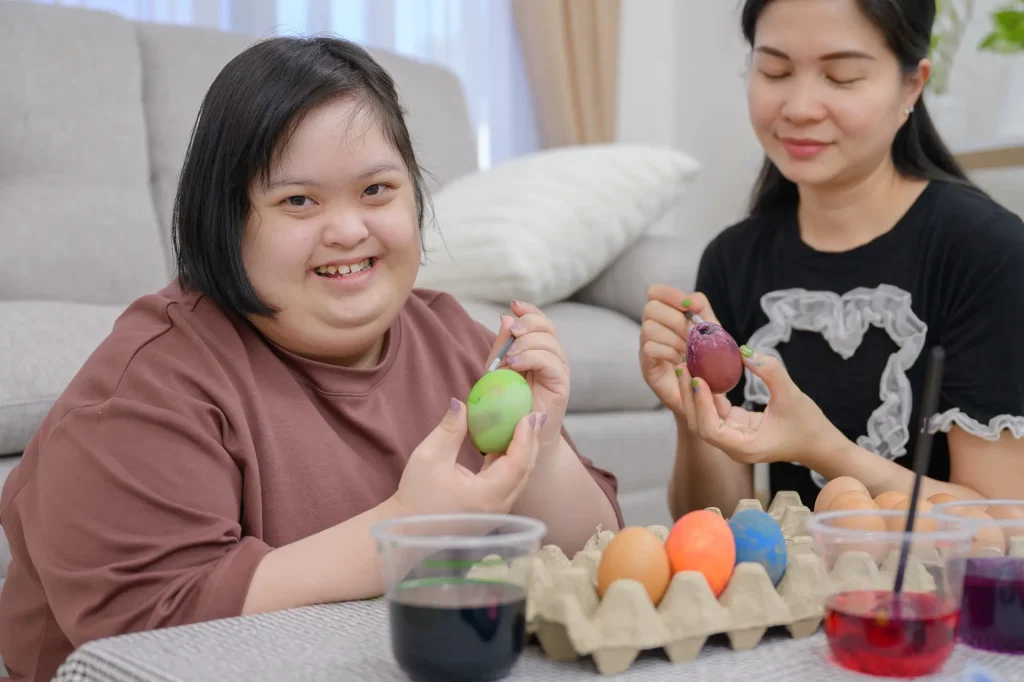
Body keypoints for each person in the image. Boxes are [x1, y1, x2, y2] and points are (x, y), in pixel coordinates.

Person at [0, 36, 623, 681]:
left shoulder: (455, 338)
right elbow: (155, 632)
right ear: (226, 218)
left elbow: (589, 552)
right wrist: (408, 528)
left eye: (377, 190)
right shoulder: (154, 382)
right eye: (298, 200)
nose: (349, 230)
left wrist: (541, 444)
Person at [640, 0, 1024, 519]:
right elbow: (715, 523)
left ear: (912, 85)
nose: (799, 106)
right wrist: (696, 412)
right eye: (775, 69)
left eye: (841, 77)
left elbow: (1003, 523)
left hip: (930, 597)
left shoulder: (987, 253)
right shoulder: (733, 259)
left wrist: (821, 447)